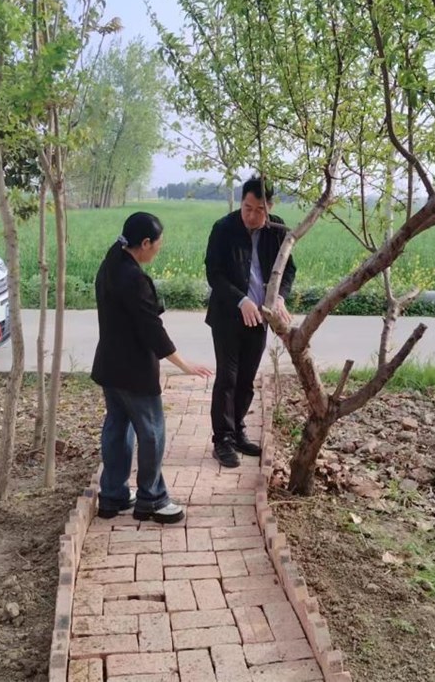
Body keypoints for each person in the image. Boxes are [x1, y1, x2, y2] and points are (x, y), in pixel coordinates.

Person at [91, 212, 213, 524]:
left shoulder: (111, 262)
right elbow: (152, 329)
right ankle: (152, 499)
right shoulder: (134, 279)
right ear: (145, 243)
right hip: (134, 371)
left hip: (110, 366)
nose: (159, 248)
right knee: (152, 432)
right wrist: (184, 364)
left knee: (117, 428)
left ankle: (113, 496)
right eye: (158, 243)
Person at [205, 175, 295, 468]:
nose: (252, 216)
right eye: (247, 208)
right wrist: (240, 299)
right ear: (241, 202)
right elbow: (214, 274)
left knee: (246, 380)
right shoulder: (223, 228)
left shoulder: (277, 230)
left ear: (270, 207)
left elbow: (288, 270)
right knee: (228, 378)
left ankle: (238, 430)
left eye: (259, 210)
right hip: (228, 316)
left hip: (260, 316)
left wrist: (279, 297)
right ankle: (222, 440)